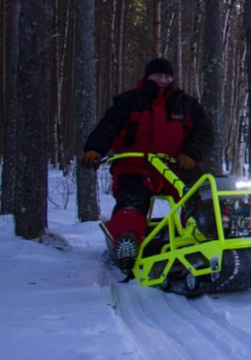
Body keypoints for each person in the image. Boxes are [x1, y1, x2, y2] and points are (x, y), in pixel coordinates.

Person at [81, 57, 214, 270]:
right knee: (131, 200)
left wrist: (191, 154)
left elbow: (205, 132)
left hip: (175, 167)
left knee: (201, 193)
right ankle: (127, 240)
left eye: (166, 76)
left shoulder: (186, 104)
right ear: (147, 77)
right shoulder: (129, 102)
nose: (162, 80)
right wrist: (95, 148)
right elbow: (109, 126)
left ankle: (204, 233)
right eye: (157, 76)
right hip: (135, 167)